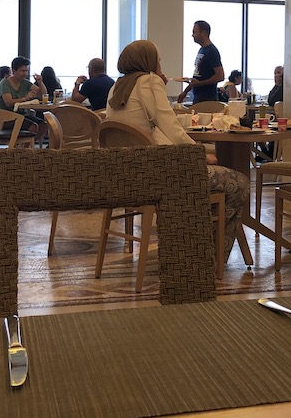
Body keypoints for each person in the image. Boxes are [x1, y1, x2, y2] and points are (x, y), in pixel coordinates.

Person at [106, 40, 249, 260]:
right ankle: (212, 256)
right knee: (239, 183)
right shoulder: (148, 81)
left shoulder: (117, 87)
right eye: (158, 59)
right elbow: (170, 126)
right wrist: (199, 154)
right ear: (149, 61)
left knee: (211, 182)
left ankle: (194, 246)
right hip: (159, 176)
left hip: (127, 176)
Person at [177, 20, 224, 104]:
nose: (192, 35)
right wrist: (185, 91)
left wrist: (199, 84)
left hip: (207, 99)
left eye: (194, 32)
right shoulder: (202, 50)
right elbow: (197, 77)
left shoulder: (211, 51)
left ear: (203, 33)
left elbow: (220, 76)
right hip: (198, 98)